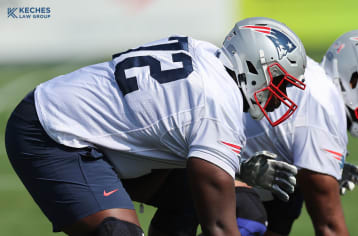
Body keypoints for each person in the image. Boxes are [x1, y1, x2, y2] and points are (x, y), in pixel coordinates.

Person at [4, 17, 307, 236]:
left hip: (98, 133)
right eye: (279, 81)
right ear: (252, 67)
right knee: (118, 233)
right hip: (55, 133)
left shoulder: (207, 55)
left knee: (242, 205)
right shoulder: (217, 104)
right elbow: (220, 228)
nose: (279, 95)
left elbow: (164, 122)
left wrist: (237, 166)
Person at [146, 29, 358, 236]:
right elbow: (329, 227)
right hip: (187, 158)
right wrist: (322, 175)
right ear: (354, 79)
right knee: (249, 214)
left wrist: (322, 168)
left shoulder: (317, 86)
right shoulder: (323, 105)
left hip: (204, 159)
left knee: (288, 189)